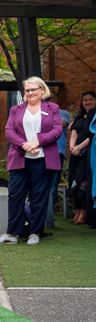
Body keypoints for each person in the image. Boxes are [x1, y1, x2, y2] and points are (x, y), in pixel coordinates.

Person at [0, 76, 63, 245]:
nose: (30, 93)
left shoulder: (53, 108)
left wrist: (37, 142)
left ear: (42, 90)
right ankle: (12, 234)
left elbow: (57, 130)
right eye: (27, 90)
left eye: (33, 90)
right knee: (15, 194)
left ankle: (35, 233)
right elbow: (9, 131)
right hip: (20, 157)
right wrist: (26, 146)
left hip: (43, 159)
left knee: (38, 196)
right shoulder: (16, 109)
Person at [66, 91, 95, 225]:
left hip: (86, 153)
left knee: (84, 183)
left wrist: (79, 148)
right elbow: (73, 133)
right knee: (74, 181)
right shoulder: (78, 118)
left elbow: (91, 135)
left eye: (90, 99)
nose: (87, 102)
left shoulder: (93, 117)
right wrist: (72, 148)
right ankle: (77, 211)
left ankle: (84, 213)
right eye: (85, 100)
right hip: (75, 155)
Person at [48, 90, 70, 205]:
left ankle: (49, 218)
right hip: (42, 153)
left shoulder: (63, 113)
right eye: (45, 98)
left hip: (57, 153)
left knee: (53, 184)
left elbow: (60, 124)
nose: (47, 101)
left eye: (50, 98)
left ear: (56, 99)